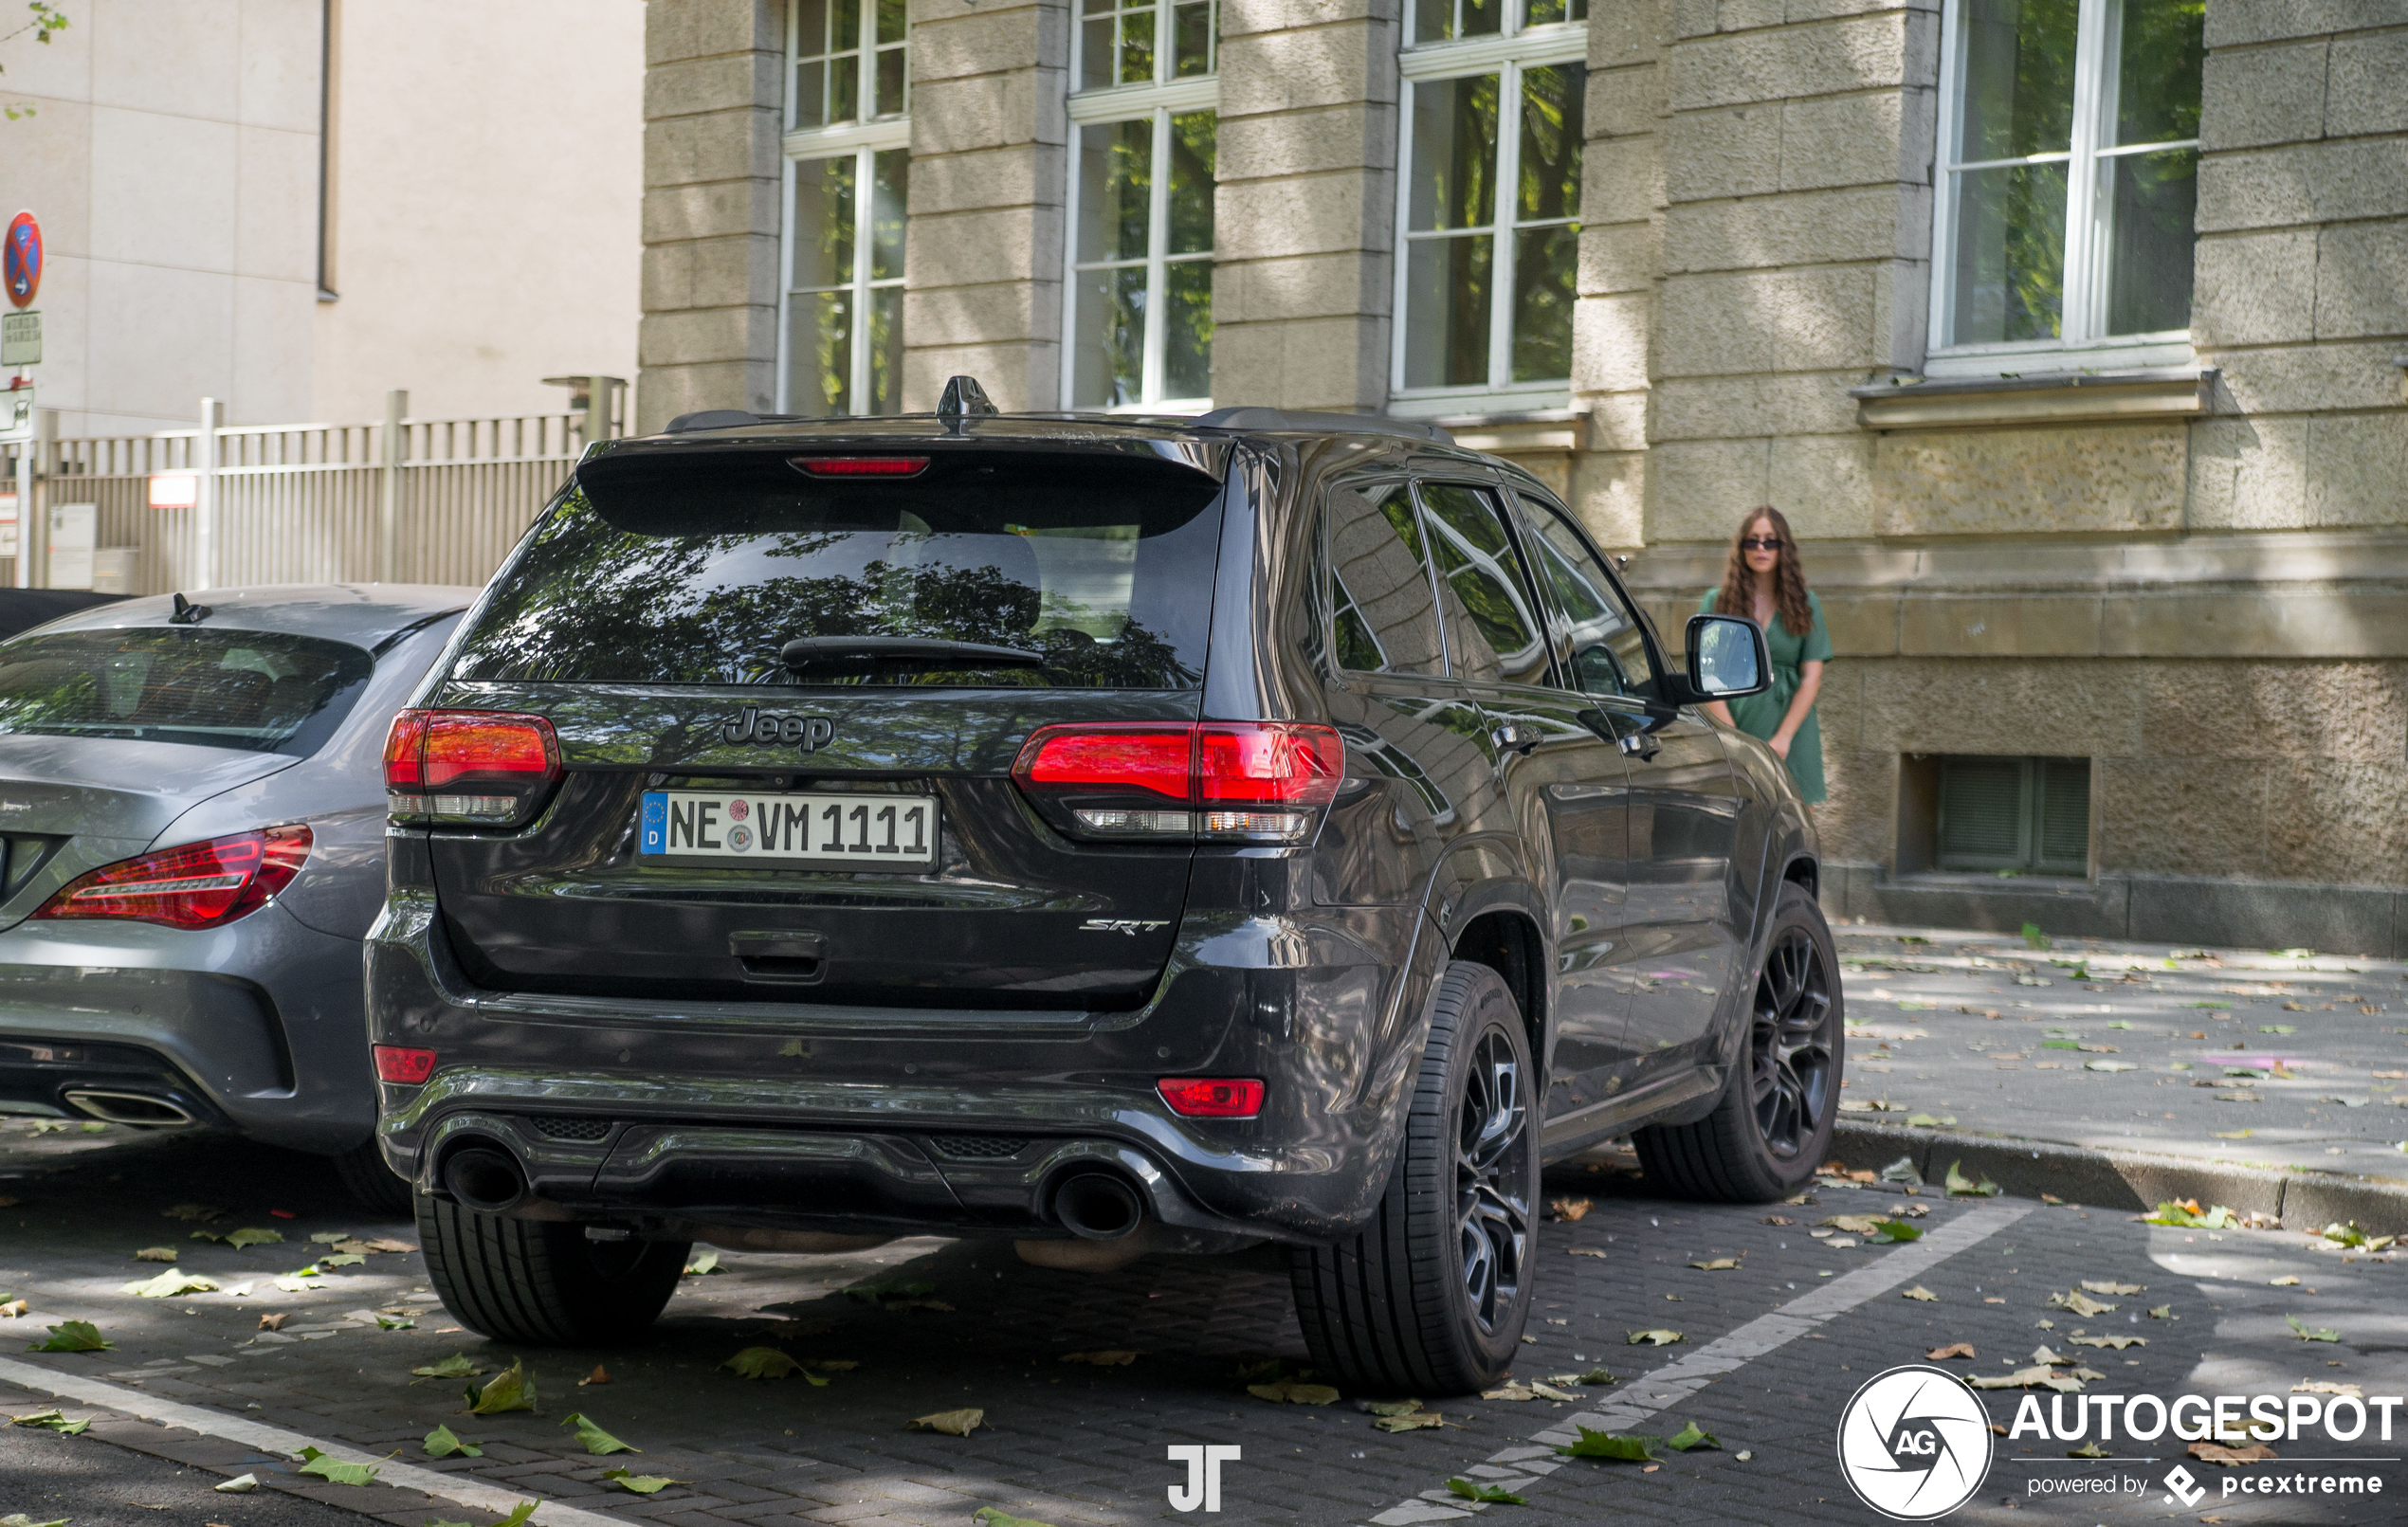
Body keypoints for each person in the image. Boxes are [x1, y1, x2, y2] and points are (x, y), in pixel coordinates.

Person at [1696, 505, 1831, 808]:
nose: (1761, 548)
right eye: (1752, 540)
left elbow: (1812, 678)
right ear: (1741, 548)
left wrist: (1783, 738)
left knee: (1791, 818)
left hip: (1791, 730)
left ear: (1783, 548)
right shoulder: (1716, 601)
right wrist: (1734, 738)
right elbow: (1707, 677)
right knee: (1737, 816)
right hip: (1734, 725)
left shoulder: (1807, 604)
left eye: (1770, 541)